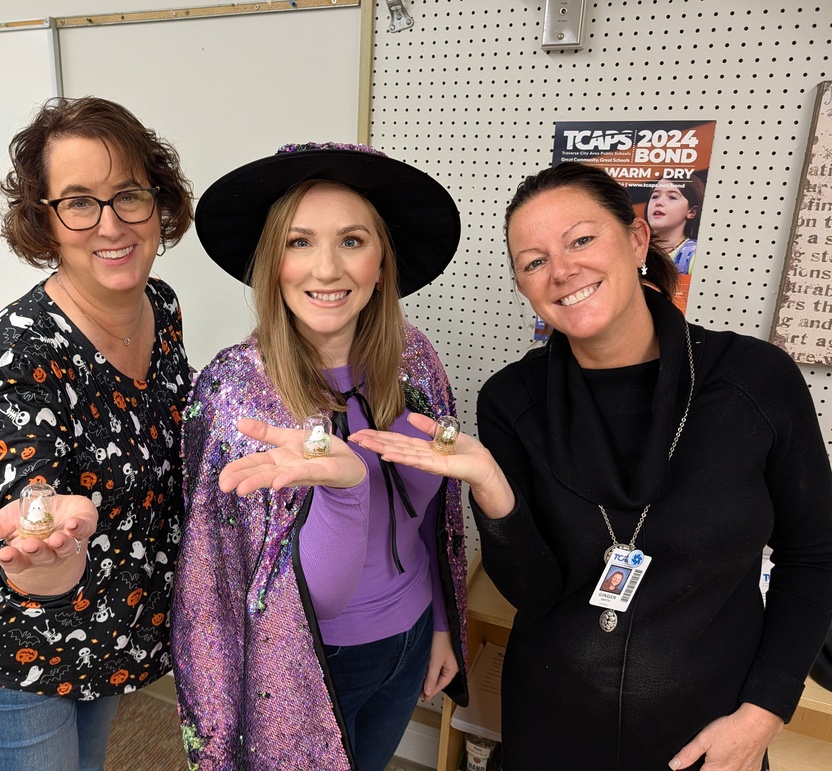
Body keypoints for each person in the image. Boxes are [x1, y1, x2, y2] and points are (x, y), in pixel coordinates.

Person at [351, 161, 832, 770]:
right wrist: (492, 488)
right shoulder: (511, 401)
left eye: (581, 239)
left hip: (710, 736)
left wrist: (764, 713)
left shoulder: (755, 381)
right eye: (533, 261)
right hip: (552, 727)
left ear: (635, 240)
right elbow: (535, 591)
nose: (562, 271)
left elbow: (815, 553)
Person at [172, 142, 470, 770]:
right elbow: (221, 589)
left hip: (412, 640)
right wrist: (345, 490)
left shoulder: (414, 361)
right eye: (300, 242)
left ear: (383, 263)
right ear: (270, 264)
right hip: (312, 668)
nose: (328, 269)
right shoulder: (234, 392)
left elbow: (434, 515)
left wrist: (440, 622)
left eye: (353, 241)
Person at [0, 96, 194, 771]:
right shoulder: (17, 347)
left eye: (128, 195)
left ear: (158, 202)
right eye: (79, 201)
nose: (110, 224)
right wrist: (49, 544)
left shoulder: (161, 307)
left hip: (108, 631)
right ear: (44, 222)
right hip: (21, 641)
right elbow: (30, 489)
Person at [645, 174, 705, 275]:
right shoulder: (632, 248)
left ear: (692, 212)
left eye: (672, 197)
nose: (659, 202)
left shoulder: (695, 256)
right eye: (655, 196)